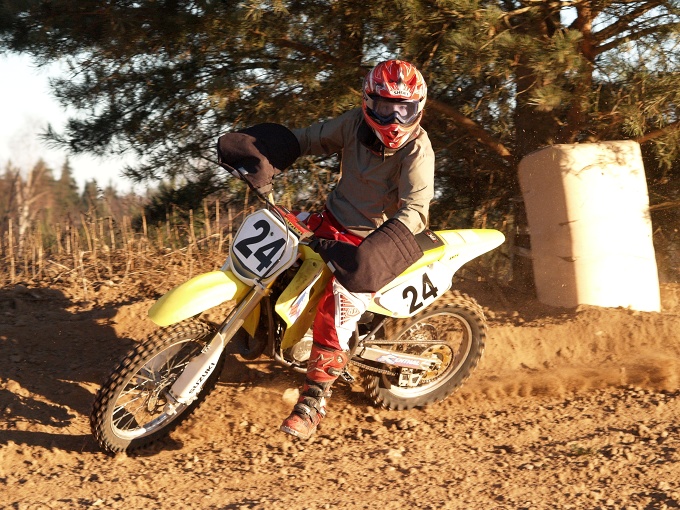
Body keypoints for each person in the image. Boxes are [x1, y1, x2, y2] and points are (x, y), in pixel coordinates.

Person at [216, 59, 435, 440]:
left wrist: (376, 251)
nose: (394, 119)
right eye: (385, 107)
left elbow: (416, 210)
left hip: (372, 243)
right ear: (368, 103)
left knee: (336, 306)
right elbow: (305, 139)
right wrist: (260, 152)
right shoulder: (354, 123)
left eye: (404, 109)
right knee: (278, 241)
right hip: (330, 221)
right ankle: (258, 327)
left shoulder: (418, 149)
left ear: (418, 108)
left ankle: (314, 399)